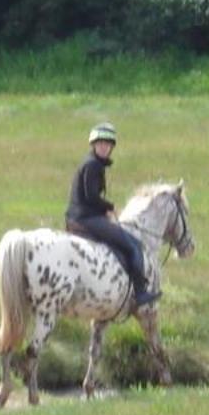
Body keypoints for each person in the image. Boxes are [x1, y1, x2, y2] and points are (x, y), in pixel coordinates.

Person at [66, 122, 160, 309]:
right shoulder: (93, 165)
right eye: (101, 144)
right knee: (133, 245)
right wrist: (109, 207)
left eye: (108, 145)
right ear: (94, 145)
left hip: (82, 216)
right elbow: (91, 197)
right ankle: (140, 292)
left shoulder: (92, 163)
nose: (105, 147)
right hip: (85, 219)